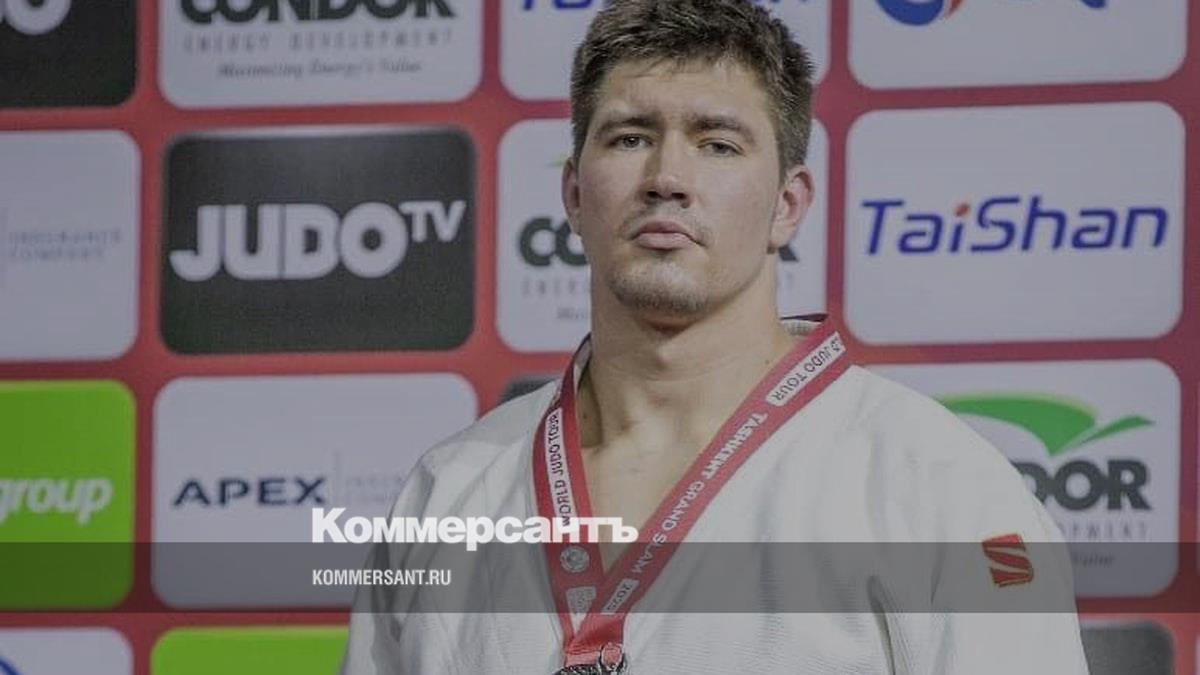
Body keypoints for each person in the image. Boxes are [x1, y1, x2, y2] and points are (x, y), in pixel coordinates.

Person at [341, 1, 1090, 672]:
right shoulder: (448, 491)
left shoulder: (937, 485)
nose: (667, 177)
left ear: (787, 205)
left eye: (718, 145)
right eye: (630, 138)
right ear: (573, 195)